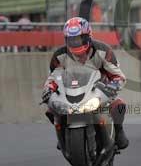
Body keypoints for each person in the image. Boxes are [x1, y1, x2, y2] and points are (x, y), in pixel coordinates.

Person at [41, 17, 129, 149]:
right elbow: (53, 78)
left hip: (99, 89)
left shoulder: (103, 51)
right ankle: (63, 135)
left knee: (119, 105)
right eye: (72, 40)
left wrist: (113, 85)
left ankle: (118, 132)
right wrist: (48, 89)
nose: (76, 43)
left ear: (88, 36)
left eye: (79, 39)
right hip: (70, 92)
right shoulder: (59, 56)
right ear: (66, 40)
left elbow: (118, 75)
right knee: (51, 110)